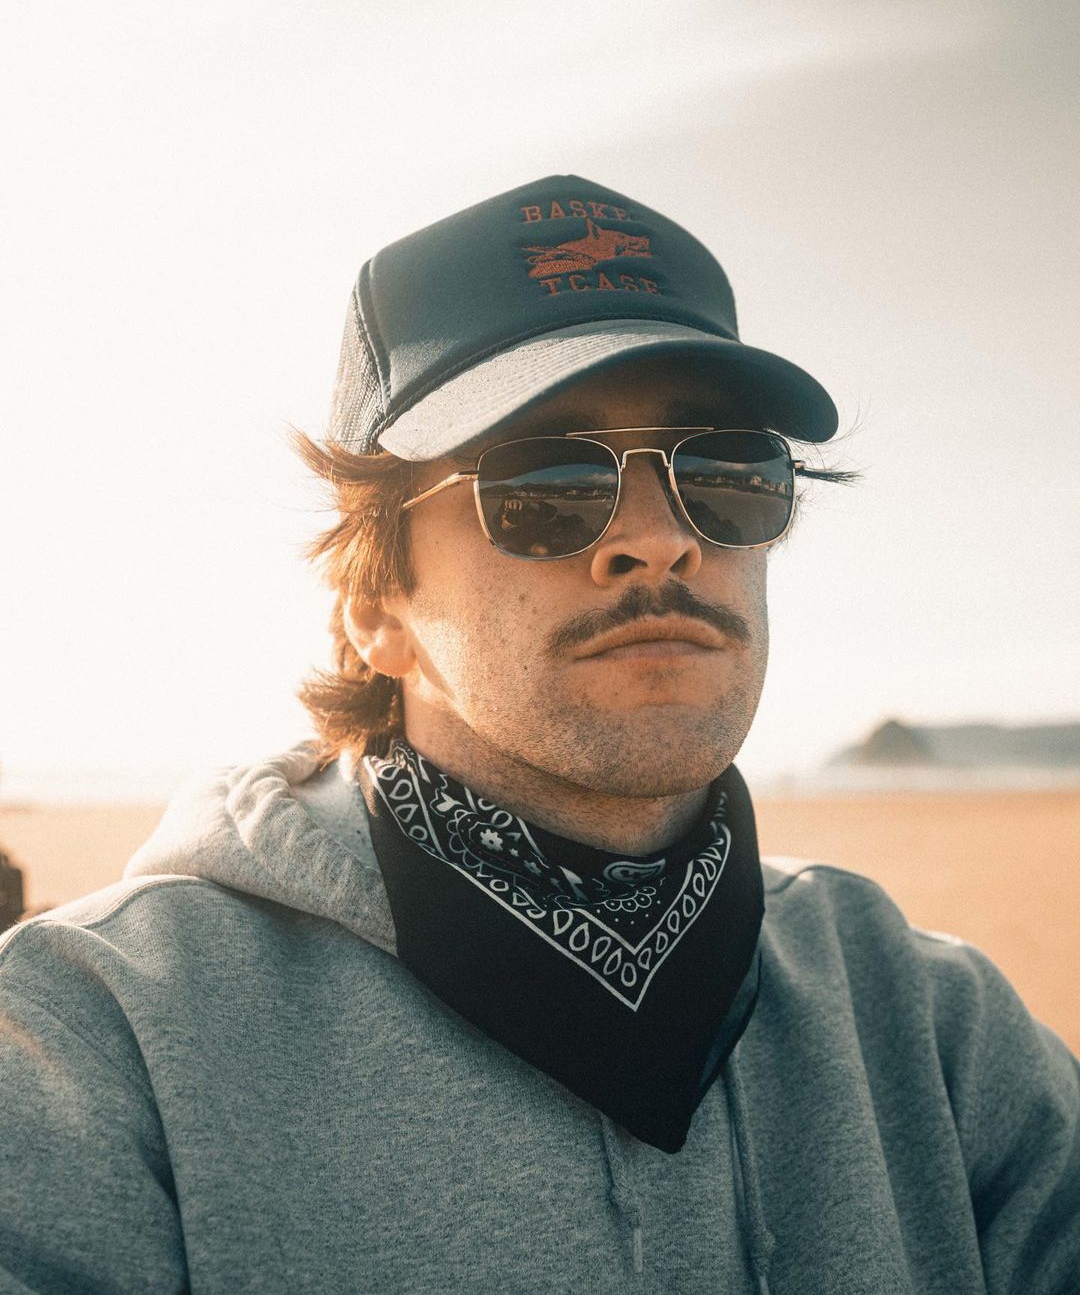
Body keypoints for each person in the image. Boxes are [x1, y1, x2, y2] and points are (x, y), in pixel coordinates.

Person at [0, 174, 1076, 1293]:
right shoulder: (101, 1035)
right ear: (374, 606)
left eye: (726, 474)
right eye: (548, 483)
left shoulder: (932, 1027)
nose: (659, 539)